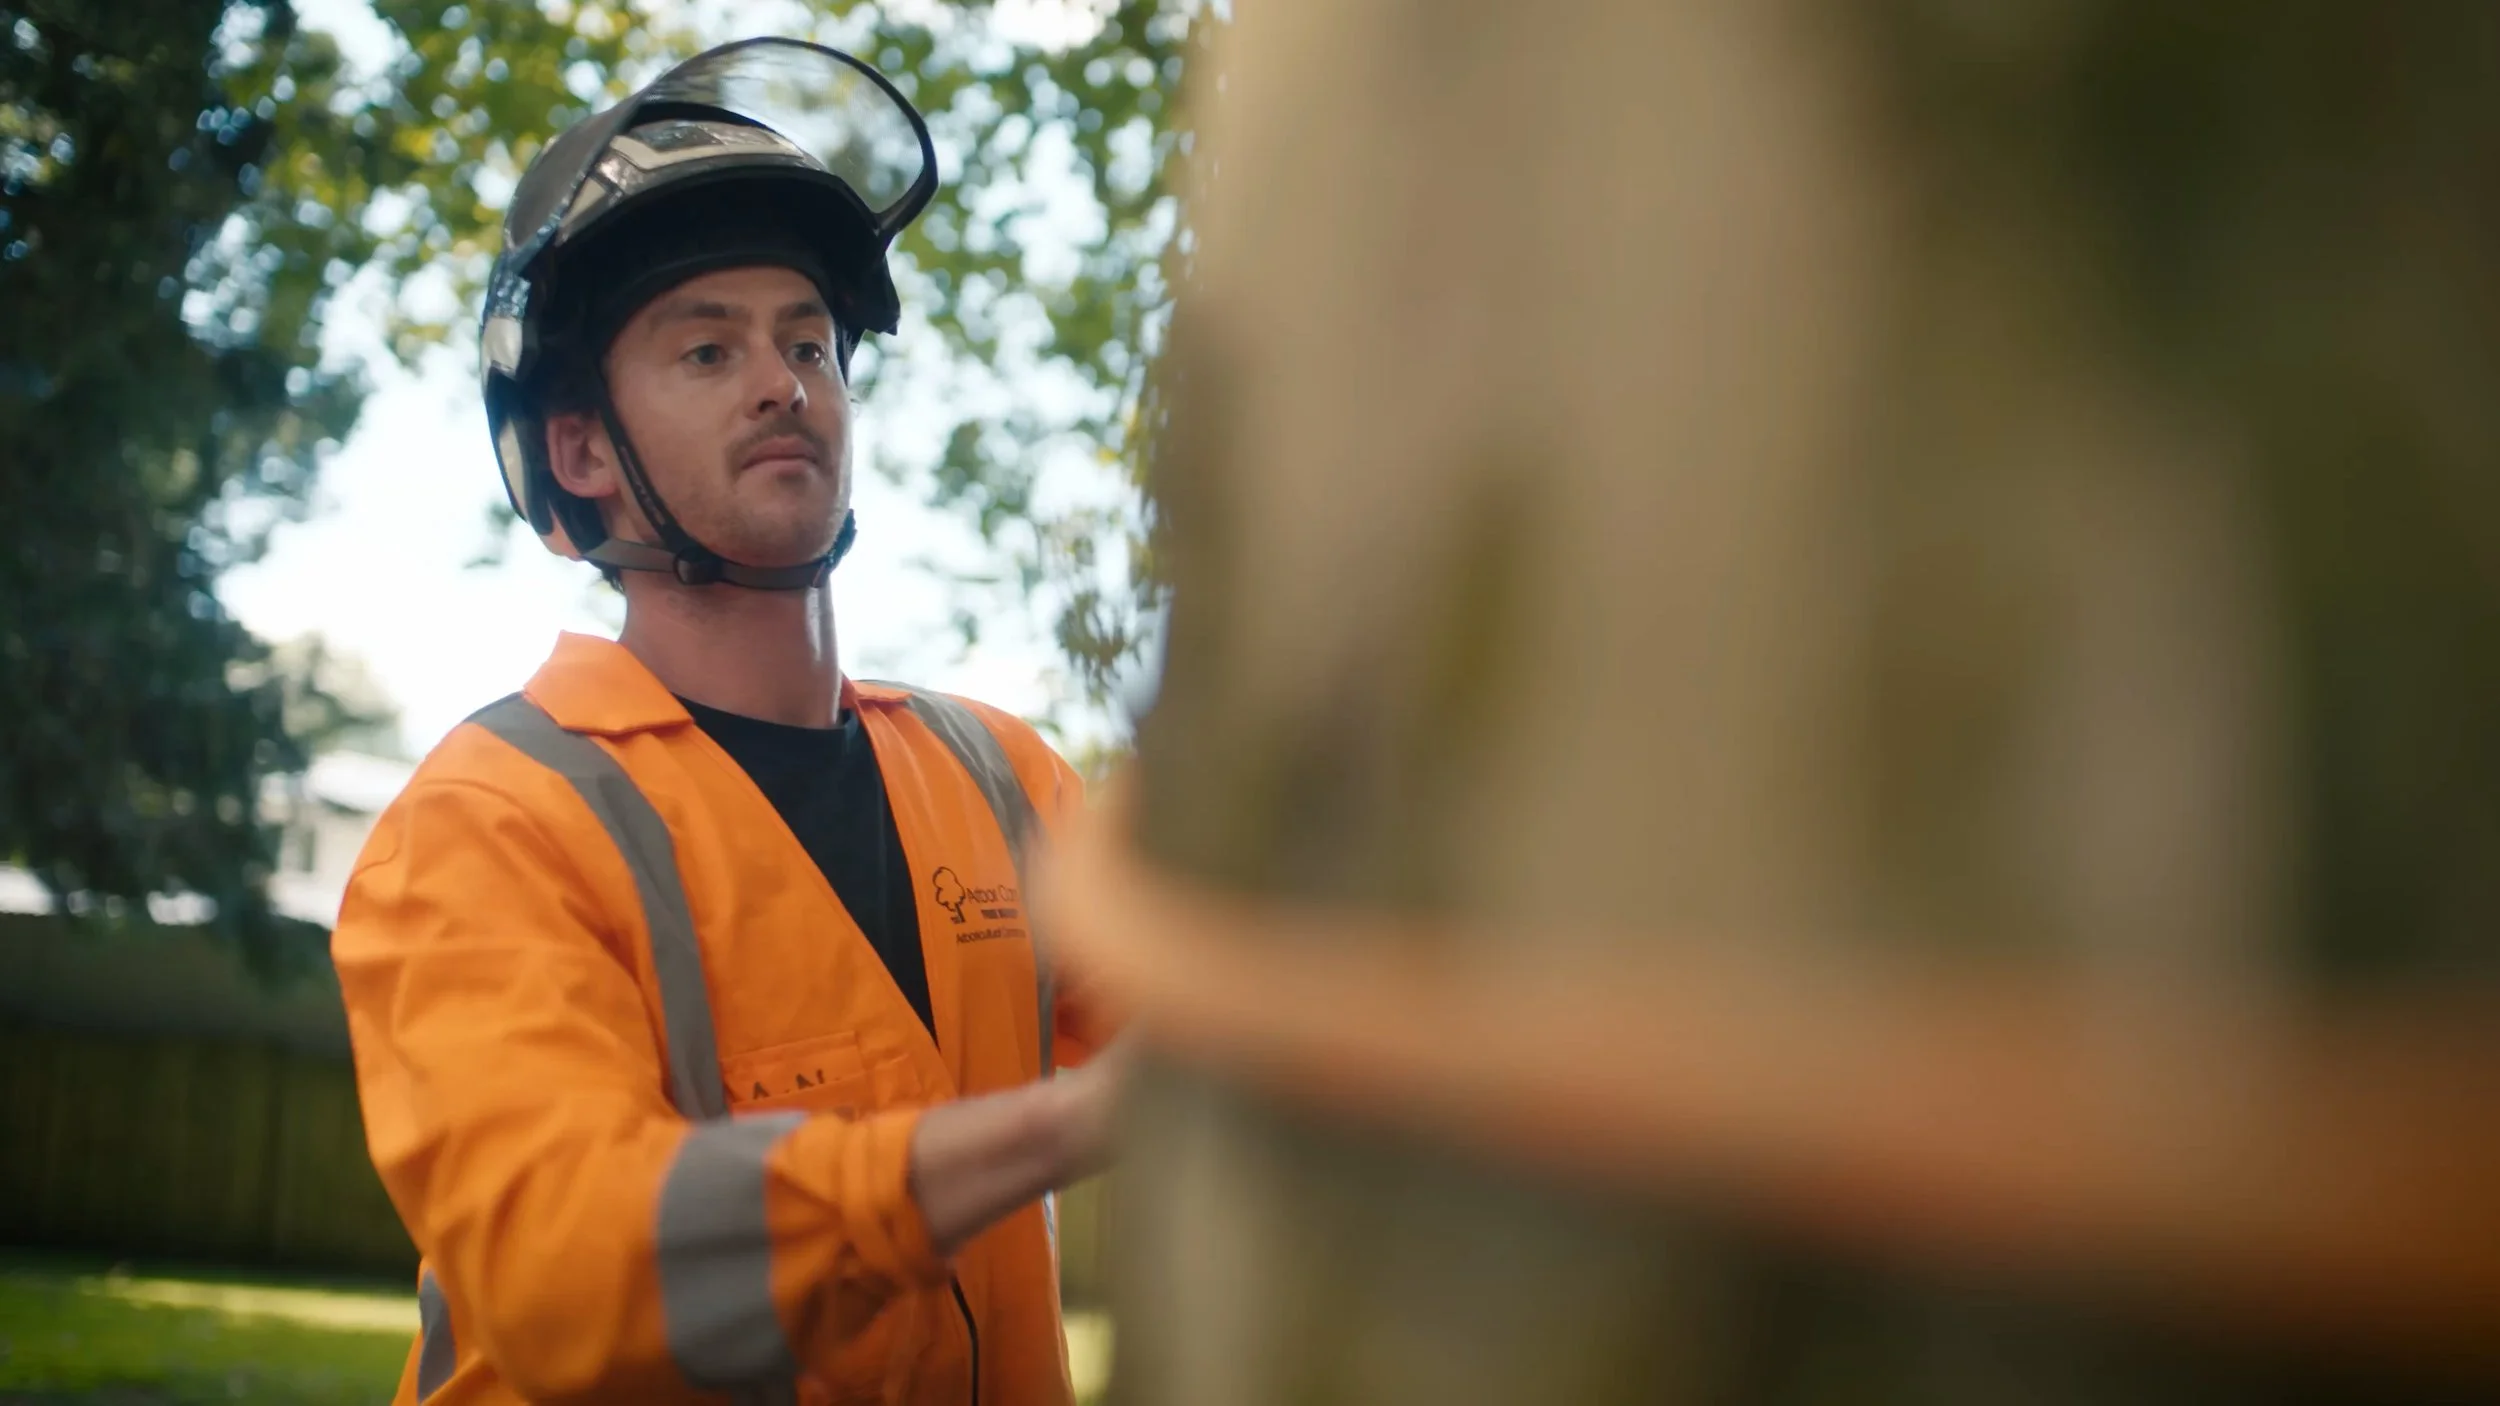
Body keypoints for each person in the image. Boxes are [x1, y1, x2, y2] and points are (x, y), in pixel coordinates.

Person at [331, 38, 1125, 1406]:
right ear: (581, 452)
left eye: (807, 341)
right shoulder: (488, 825)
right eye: (709, 346)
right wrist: (1068, 1125)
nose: (784, 381)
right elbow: (576, 1274)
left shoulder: (1001, 778)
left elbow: (1242, 1024)